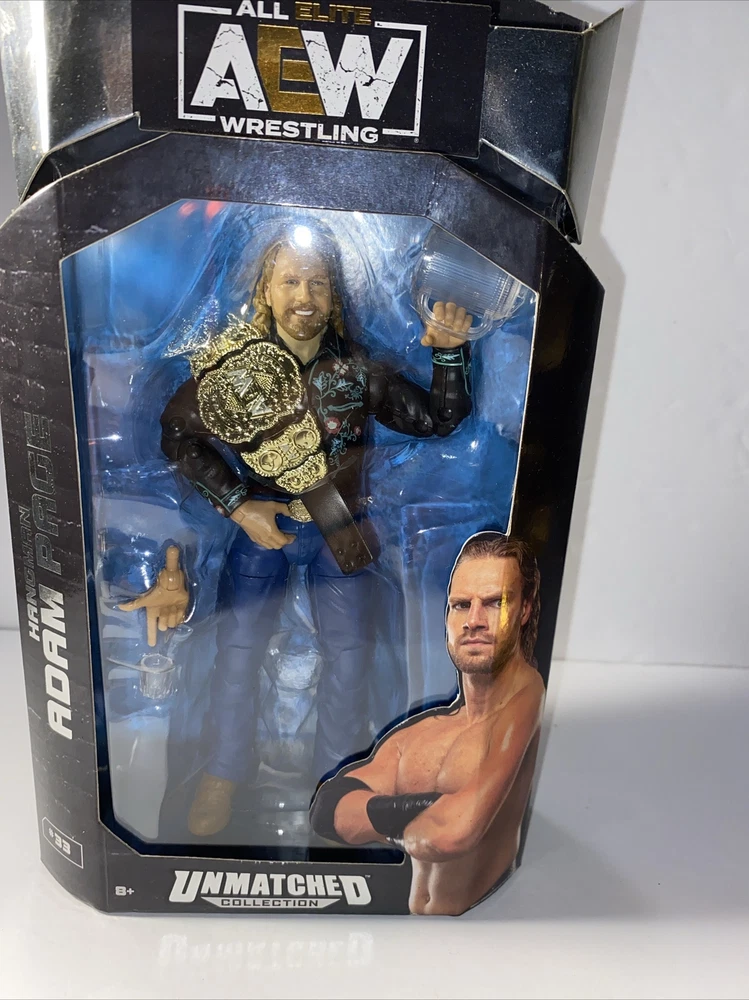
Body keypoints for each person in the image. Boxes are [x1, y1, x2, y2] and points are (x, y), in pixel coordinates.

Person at [120, 225, 473, 836]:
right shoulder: (235, 370)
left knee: (351, 658)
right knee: (237, 651)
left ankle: (334, 782)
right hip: (265, 527)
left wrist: (448, 352)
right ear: (265, 290)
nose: (303, 296)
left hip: (342, 531)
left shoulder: (357, 373)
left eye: (317, 283)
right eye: (289, 281)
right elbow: (176, 434)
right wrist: (239, 507)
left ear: (335, 296)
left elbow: (438, 420)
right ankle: (223, 772)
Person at [310, 533, 544, 915]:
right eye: (461, 605)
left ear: (525, 610)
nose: (473, 621)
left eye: (494, 603)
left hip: (487, 929)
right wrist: (426, 811)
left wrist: (382, 814)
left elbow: (452, 833)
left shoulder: (527, 699)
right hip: (413, 932)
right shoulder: (428, 732)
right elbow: (328, 809)